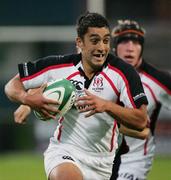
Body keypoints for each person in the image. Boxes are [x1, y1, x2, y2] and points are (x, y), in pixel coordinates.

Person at [5, 12, 149, 180]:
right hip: (64, 150)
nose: (102, 48)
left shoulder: (124, 73)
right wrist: (28, 100)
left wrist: (107, 106)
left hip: (102, 163)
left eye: (106, 41)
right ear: (80, 43)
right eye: (95, 41)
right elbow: (11, 86)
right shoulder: (58, 66)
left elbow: (141, 121)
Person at [111, 19, 171, 180]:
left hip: (134, 160)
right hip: (100, 156)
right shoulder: (101, 75)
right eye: (124, 41)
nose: (130, 47)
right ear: (114, 47)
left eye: (136, 42)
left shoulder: (158, 80)